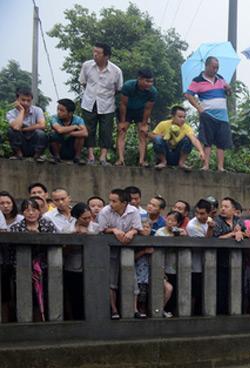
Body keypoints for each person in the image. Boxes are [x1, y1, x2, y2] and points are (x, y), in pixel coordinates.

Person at [97, 188, 142, 319]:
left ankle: (134, 309)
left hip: (128, 249)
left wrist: (132, 232)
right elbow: (102, 229)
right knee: (111, 280)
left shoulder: (133, 211)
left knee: (132, 279)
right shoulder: (105, 211)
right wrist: (114, 230)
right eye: (110, 200)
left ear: (124, 203)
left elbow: (137, 228)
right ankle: (114, 309)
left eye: (114, 201)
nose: (111, 203)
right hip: (110, 250)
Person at [185, 56, 233, 172]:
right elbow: (188, 94)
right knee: (207, 141)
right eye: (213, 67)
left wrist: (228, 89)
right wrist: (198, 107)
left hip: (222, 116)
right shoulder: (198, 80)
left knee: (221, 142)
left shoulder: (220, 78)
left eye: (217, 67)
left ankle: (220, 167)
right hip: (208, 115)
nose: (215, 70)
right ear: (206, 66)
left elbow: (229, 93)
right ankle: (206, 165)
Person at [79, 43, 123, 165]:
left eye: (98, 53)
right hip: (89, 102)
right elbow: (83, 82)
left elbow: (118, 88)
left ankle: (103, 157)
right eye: (94, 52)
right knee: (89, 128)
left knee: (106, 131)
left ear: (106, 56)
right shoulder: (87, 66)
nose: (95, 55)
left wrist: (106, 96)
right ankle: (91, 156)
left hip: (107, 104)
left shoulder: (116, 71)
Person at [116, 68, 157, 167]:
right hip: (127, 110)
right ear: (139, 79)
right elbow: (123, 104)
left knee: (143, 133)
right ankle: (120, 159)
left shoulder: (153, 92)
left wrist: (144, 124)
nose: (149, 84)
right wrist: (122, 121)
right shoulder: (128, 86)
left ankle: (141, 161)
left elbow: (148, 109)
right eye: (147, 81)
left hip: (141, 111)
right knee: (122, 131)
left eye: (151, 81)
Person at [151, 105, 208, 170]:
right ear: (172, 117)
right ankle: (163, 162)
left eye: (184, 117)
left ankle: (181, 163)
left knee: (188, 139)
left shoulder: (186, 127)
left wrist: (201, 151)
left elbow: (194, 139)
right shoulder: (163, 124)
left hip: (177, 155)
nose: (183, 119)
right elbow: (153, 136)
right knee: (157, 139)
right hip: (165, 153)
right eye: (180, 117)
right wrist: (162, 136)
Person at [6, 87, 47, 161]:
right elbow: (16, 127)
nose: (26, 103)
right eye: (23, 100)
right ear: (17, 100)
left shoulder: (37, 110)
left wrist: (24, 129)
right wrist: (22, 111)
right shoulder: (11, 113)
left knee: (41, 133)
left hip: (33, 144)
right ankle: (18, 154)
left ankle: (37, 156)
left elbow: (42, 125)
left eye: (28, 101)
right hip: (21, 143)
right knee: (11, 131)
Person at [48, 98, 87, 164]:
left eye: (62, 110)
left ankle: (77, 157)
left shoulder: (78, 120)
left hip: (72, 148)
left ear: (70, 113)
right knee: (53, 134)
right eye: (58, 109)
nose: (58, 112)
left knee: (81, 135)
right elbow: (59, 130)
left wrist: (70, 133)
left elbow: (85, 133)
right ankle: (56, 157)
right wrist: (74, 126)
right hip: (60, 148)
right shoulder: (54, 118)